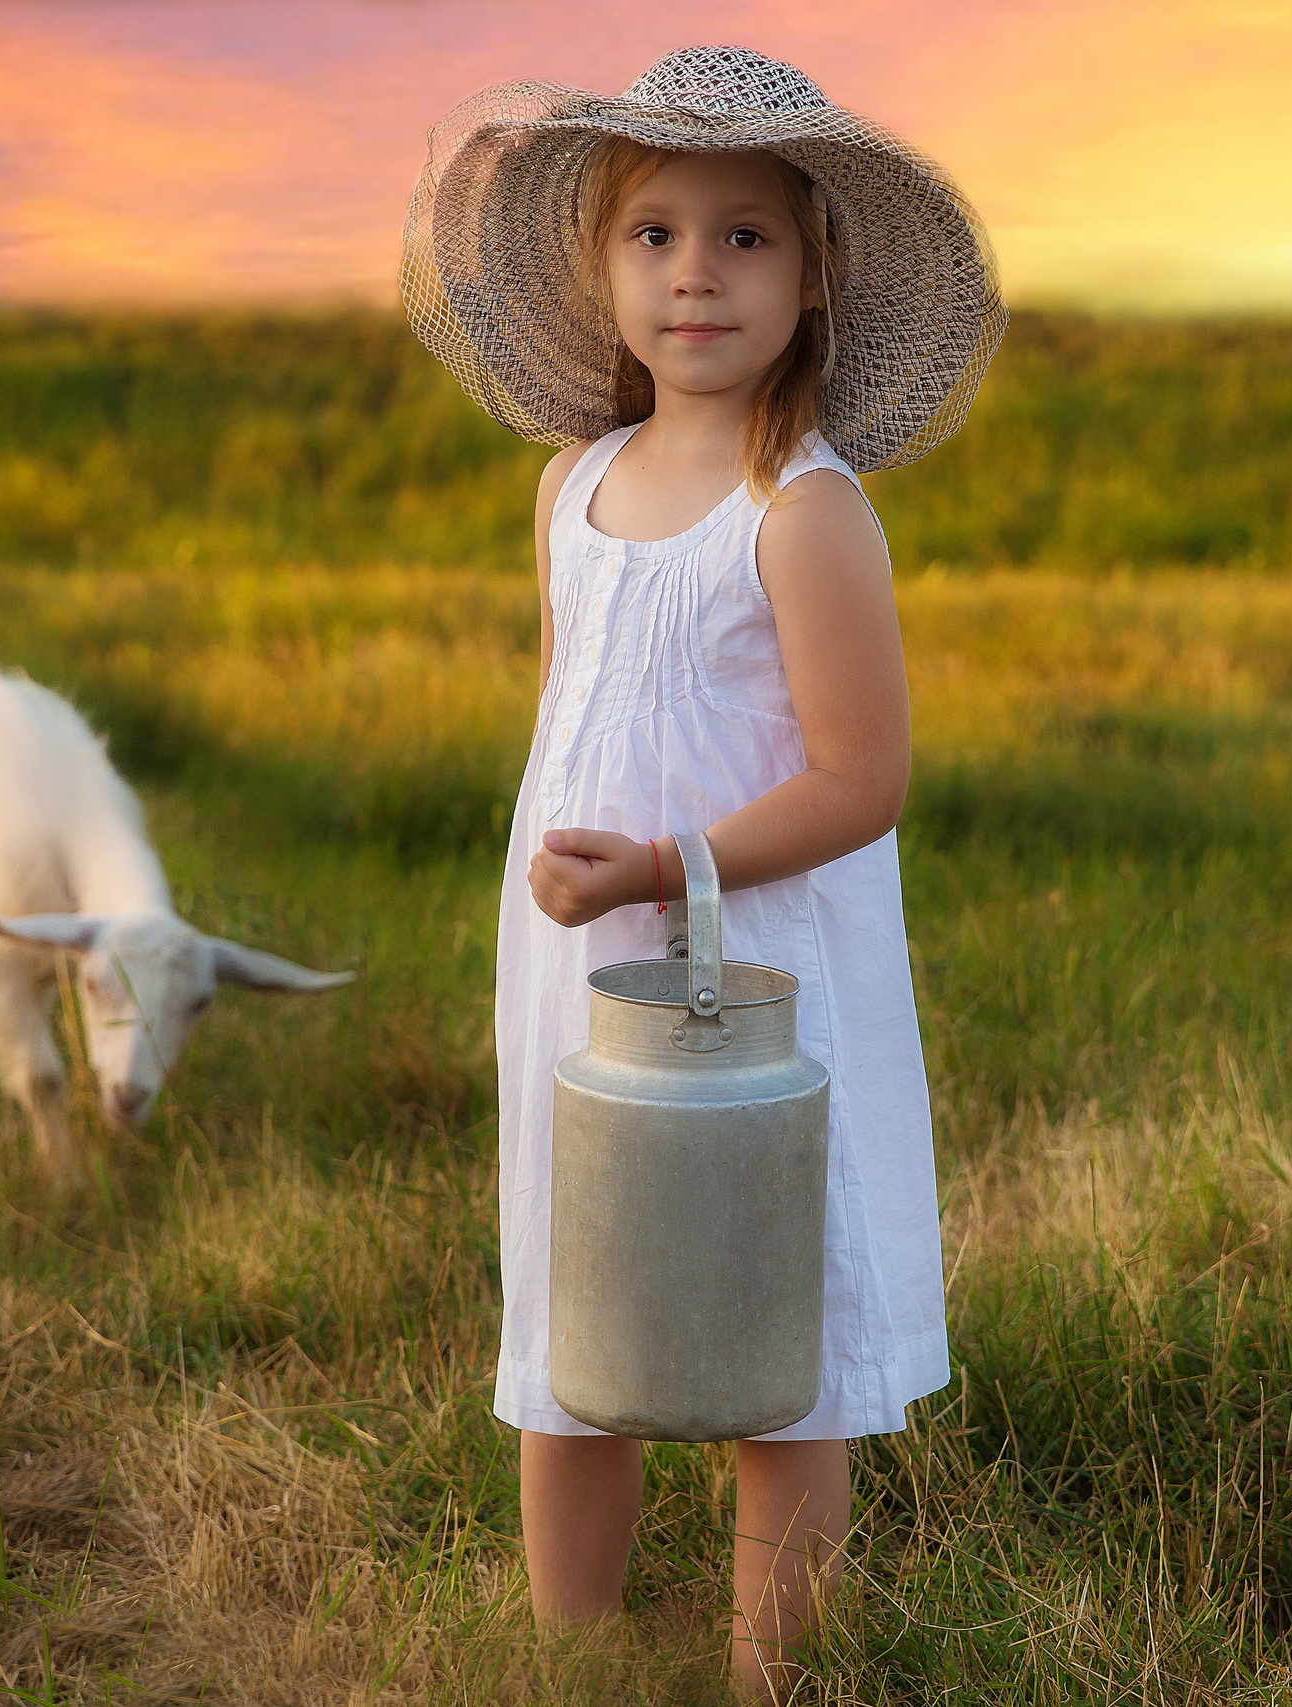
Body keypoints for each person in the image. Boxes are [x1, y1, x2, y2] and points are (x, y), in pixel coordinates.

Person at [401, 45, 1004, 1701]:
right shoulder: (572, 490)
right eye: (654, 233)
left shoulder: (803, 511)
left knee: (772, 1322)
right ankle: (568, 1665)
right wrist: (599, 875)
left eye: (745, 238)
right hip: (582, 962)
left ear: (813, 281)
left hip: (760, 969)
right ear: (602, 276)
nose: (695, 273)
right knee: (575, 1298)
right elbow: (576, 725)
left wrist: (673, 863)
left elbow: (862, 778)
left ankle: (772, 1678)